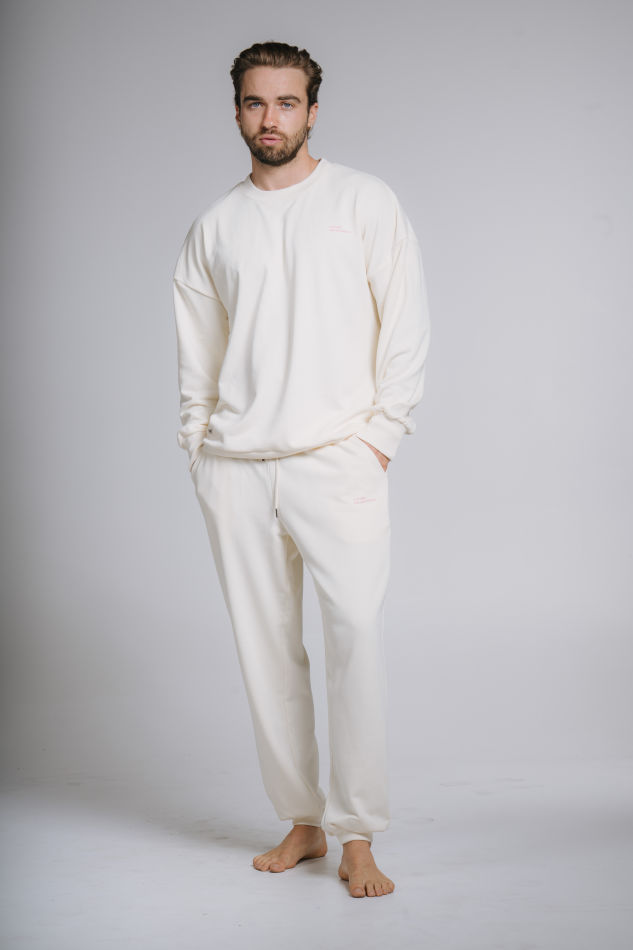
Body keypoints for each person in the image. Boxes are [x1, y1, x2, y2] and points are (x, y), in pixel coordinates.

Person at [173, 40, 430, 898]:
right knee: (266, 653)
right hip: (236, 469)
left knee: (354, 640)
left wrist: (379, 437)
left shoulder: (363, 201)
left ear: (312, 111)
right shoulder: (214, 227)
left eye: (286, 102)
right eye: (255, 102)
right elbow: (197, 356)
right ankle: (302, 820)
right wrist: (199, 449)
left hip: (337, 461)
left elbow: (405, 325)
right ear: (236, 111)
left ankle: (358, 833)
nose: (270, 118)